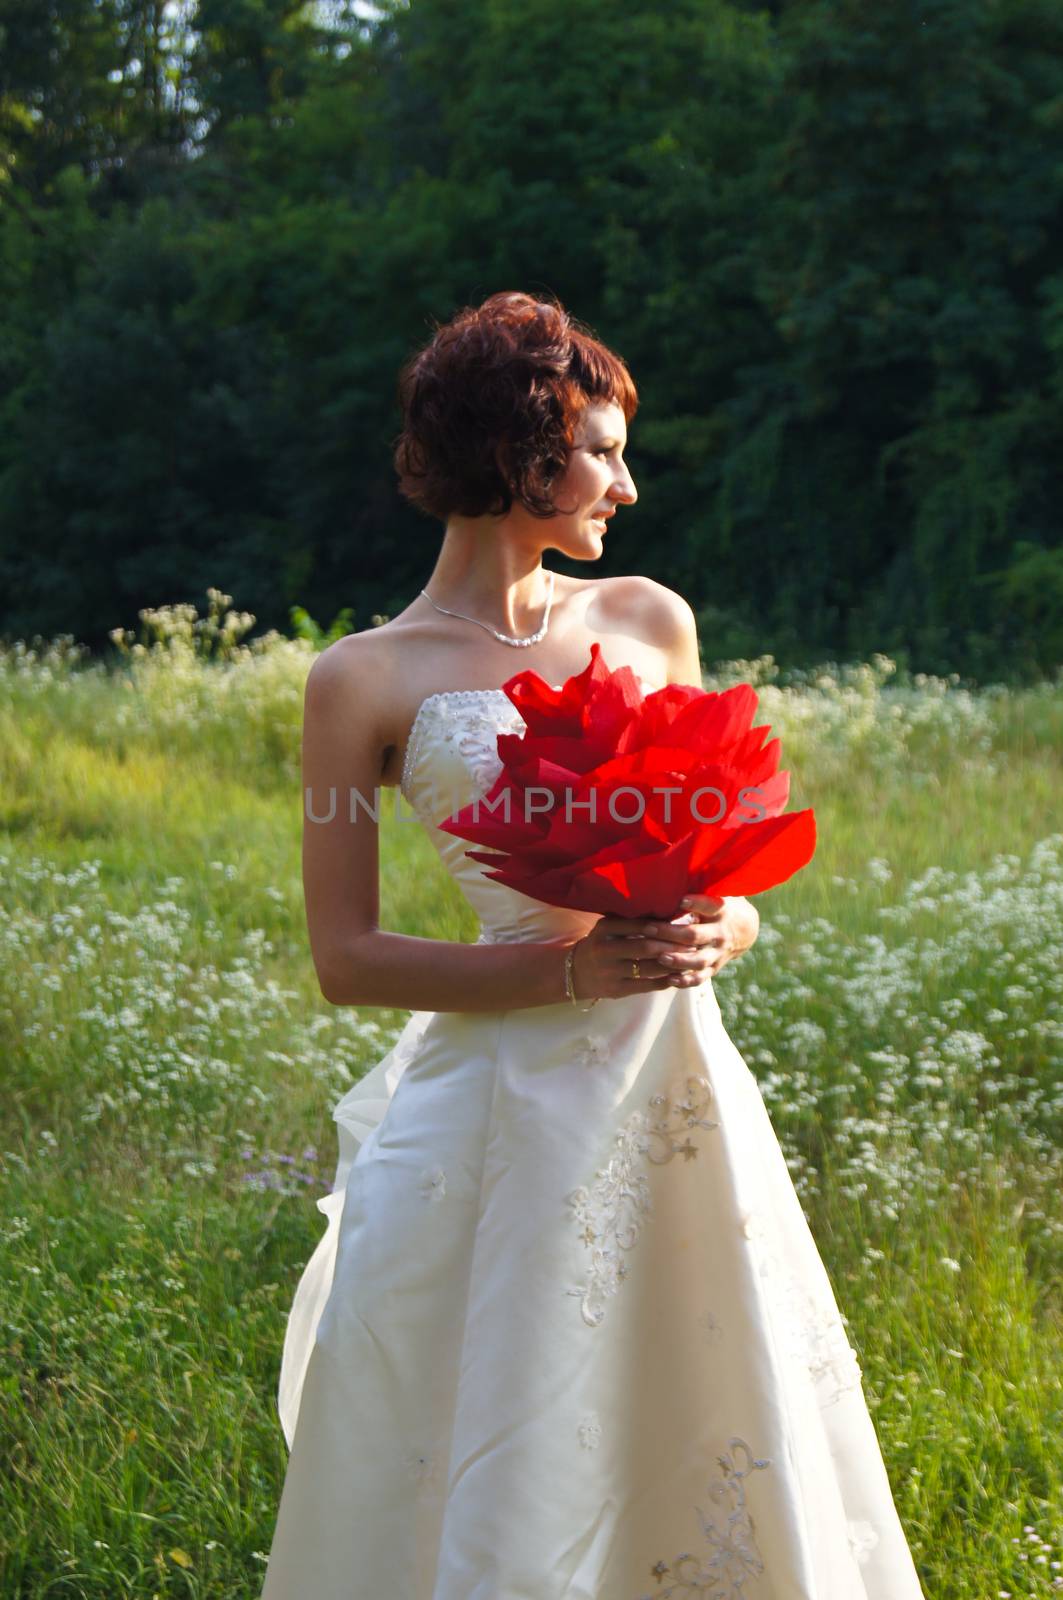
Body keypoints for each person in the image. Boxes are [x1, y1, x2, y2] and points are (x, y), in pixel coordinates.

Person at [260, 291, 927, 1598]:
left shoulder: (649, 619)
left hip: (672, 1086)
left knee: (704, 1396)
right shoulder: (362, 682)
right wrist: (561, 969)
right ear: (522, 456)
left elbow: (733, 870)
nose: (626, 482)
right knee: (510, 1433)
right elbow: (346, 958)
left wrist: (718, 924)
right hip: (500, 1107)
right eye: (602, 451)